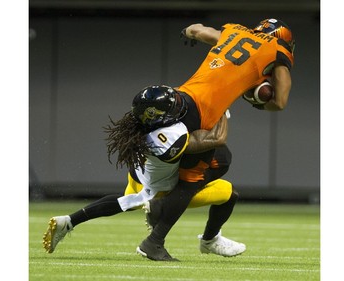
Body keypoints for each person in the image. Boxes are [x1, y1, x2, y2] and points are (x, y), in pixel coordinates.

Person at [135, 18, 295, 261]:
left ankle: (167, 201)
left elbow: (198, 30)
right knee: (191, 182)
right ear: (282, 38)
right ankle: (154, 240)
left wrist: (187, 32)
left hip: (182, 98)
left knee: (222, 158)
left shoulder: (234, 31)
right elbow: (280, 101)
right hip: (202, 111)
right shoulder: (277, 49)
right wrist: (254, 98)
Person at [42, 94, 245, 258]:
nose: (178, 110)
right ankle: (206, 238)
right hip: (161, 188)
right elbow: (217, 139)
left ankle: (69, 221)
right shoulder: (172, 135)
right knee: (228, 190)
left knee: (128, 201)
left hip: (139, 176)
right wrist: (221, 106)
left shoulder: (140, 123)